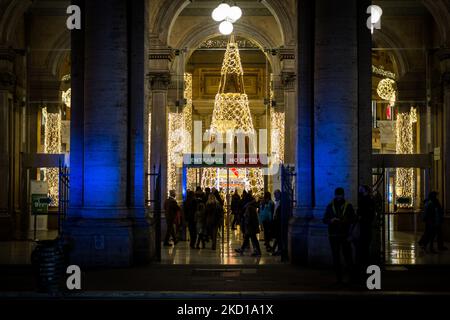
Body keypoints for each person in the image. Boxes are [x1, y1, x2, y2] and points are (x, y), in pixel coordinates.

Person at [323, 187, 357, 284]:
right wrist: (331, 220)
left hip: (344, 235)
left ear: (343, 195)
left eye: (340, 195)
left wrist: (345, 220)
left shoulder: (348, 206)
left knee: (347, 256)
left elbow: (353, 219)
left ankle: (350, 276)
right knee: (336, 257)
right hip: (334, 235)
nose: (339, 197)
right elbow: (324, 219)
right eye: (338, 195)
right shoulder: (330, 206)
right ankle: (339, 278)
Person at [355, 185, 376, 281]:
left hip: (364, 225)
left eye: (361, 189)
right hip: (366, 225)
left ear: (365, 190)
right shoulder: (368, 199)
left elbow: (365, 213)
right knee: (365, 246)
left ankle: (363, 268)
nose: (359, 190)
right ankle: (365, 267)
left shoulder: (365, 200)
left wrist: (361, 217)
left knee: (363, 247)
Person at [271, 189, 282, 256]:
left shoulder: (280, 202)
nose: (275, 196)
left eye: (276, 195)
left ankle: (276, 249)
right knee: (277, 237)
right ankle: (275, 249)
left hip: (279, 221)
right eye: (274, 195)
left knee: (278, 237)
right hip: (276, 221)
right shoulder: (276, 202)